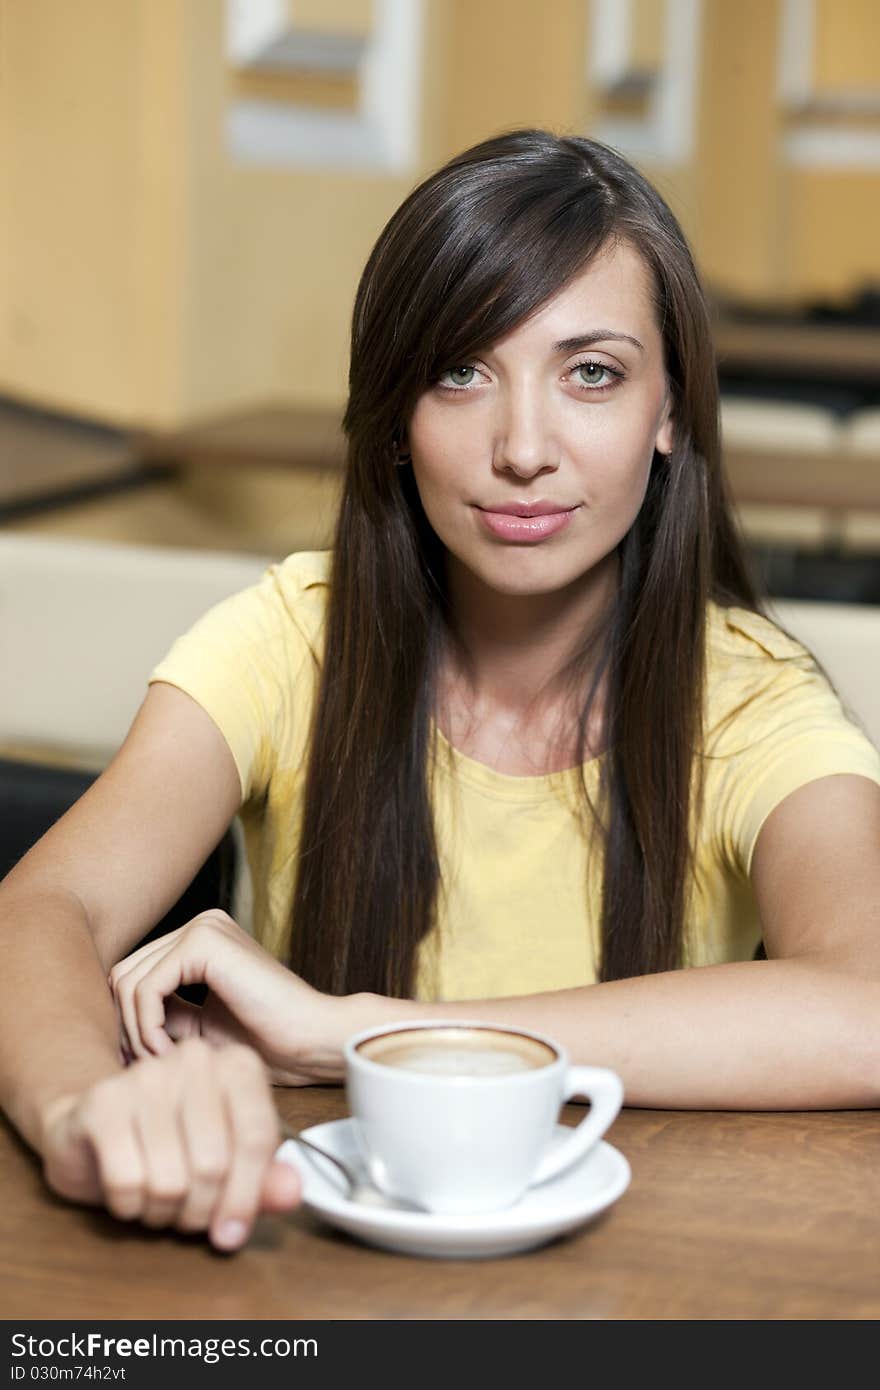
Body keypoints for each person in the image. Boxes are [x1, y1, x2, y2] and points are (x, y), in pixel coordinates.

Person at [2, 129, 879, 1254]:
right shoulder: (294, 638)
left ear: (668, 413)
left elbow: (864, 1007)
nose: (522, 447)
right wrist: (87, 1109)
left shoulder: (747, 697)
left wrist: (353, 1035)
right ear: (396, 420)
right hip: (299, 1258)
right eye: (460, 371)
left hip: (646, 1266)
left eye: (592, 373)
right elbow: (42, 910)